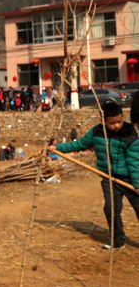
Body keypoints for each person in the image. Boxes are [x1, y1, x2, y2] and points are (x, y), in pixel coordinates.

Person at [50, 101, 139, 250]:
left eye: (119, 121)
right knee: (111, 209)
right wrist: (57, 148)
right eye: (112, 123)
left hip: (129, 178)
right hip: (109, 178)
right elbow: (78, 144)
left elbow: (134, 162)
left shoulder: (130, 134)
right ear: (102, 121)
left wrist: (137, 184)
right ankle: (118, 241)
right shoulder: (97, 133)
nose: (117, 125)